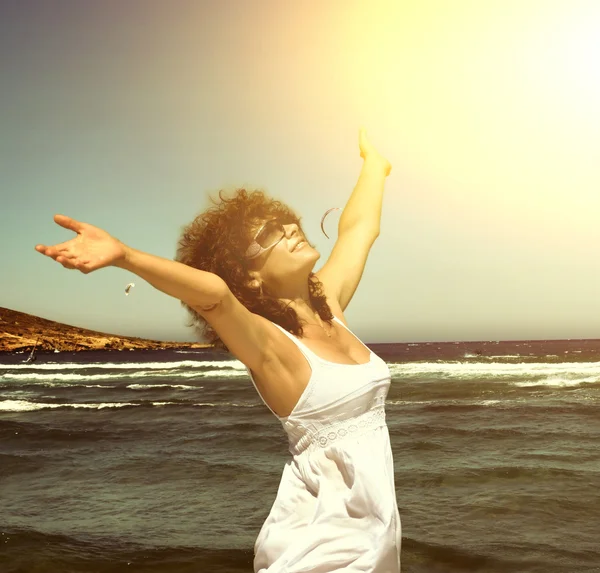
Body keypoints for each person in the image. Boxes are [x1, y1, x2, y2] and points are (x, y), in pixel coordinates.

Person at [35, 128, 400, 572]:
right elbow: (215, 297)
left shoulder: (330, 306)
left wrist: (374, 166)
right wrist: (126, 256)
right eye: (268, 234)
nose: (289, 230)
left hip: (372, 540)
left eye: (288, 223)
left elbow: (360, 229)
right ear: (249, 277)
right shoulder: (270, 344)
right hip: (323, 550)